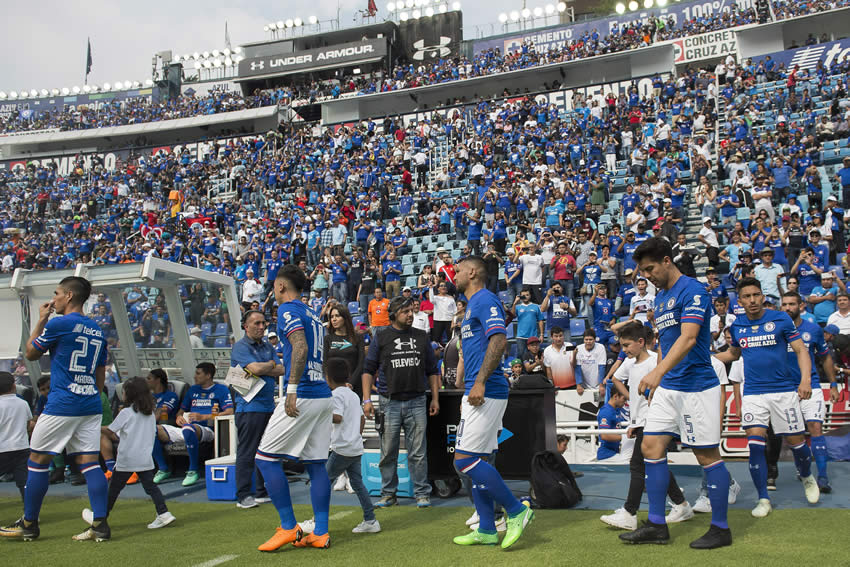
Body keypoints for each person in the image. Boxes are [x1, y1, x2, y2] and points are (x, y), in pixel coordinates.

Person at [620, 238, 732, 549]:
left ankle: (721, 528)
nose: (647, 276)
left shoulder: (693, 291)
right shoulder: (660, 298)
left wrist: (656, 373)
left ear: (667, 261)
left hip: (696, 386)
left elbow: (689, 337)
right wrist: (660, 377)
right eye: (642, 272)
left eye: (650, 269)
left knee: (706, 456)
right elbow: (666, 343)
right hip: (669, 387)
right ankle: (657, 524)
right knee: (650, 447)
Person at [1, 276, 111, 542]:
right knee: (89, 463)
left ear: (69, 296)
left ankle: (29, 524)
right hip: (90, 403)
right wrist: (89, 394)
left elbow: (31, 353)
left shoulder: (59, 323)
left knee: (37, 461)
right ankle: (100, 525)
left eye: (57, 293)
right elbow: (100, 374)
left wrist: (40, 320)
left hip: (63, 403)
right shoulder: (97, 330)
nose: (54, 299)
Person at [714, 278, 820, 519]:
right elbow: (733, 354)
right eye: (746, 296)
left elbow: (801, 350)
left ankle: (806, 475)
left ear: (762, 296)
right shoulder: (737, 326)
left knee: (797, 444)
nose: (752, 300)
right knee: (755, 446)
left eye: (756, 295)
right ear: (739, 301)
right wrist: (705, 359)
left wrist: (805, 380)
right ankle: (763, 498)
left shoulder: (780, 319)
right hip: (753, 393)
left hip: (783, 391)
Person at [451, 255, 534, 549]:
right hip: (478, 389)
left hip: (487, 390)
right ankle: (486, 528)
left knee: (464, 460)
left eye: (458, 270)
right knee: (480, 460)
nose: (454, 275)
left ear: (473, 272)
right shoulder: (473, 304)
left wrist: (480, 382)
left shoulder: (485, 299)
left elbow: (498, 340)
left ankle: (516, 510)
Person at [255, 265, 334, 551]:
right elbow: (317, 354)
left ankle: (289, 527)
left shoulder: (288, 310)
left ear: (280, 286)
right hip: (321, 393)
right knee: (316, 464)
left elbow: (300, 349)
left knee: (265, 459)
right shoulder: (312, 313)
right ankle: (320, 532)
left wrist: (291, 389)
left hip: (302, 394)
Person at [601, 322, 691, 530]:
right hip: (641, 421)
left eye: (627, 345)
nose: (624, 350)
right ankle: (681, 504)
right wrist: (632, 405)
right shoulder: (629, 363)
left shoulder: (654, 362)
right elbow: (616, 379)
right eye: (622, 346)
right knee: (655, 463)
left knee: (638, 465)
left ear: (640, 342)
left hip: (654, 419)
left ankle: (629, 512)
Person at [361, 295, 440, 508]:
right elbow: (368, 370)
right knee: (388, 451)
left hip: (417, 400)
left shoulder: (422, 336)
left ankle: (421, 493)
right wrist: (367, 399)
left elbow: (433, 371)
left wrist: (435, 398)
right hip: (389, 402)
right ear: (394, 315)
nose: (410, 315)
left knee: (418, 452)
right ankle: (388, 493)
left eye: (411, 311)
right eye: (405, 312)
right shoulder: (381, 336)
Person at [83, 376, 175, 534]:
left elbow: (110, 431)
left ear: (130, 394)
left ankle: (100, 518)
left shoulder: (126, 412)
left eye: (124, 391)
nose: (122, 394)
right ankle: (164, 513)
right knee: (151, 488)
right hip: (145, 459)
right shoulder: (150, 414)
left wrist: (93, 426)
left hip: (127, 459)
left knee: (113, 490)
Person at [780, 292, 840, 493]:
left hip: (811, 385)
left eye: (792, 304)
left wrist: (833, 384)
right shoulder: (776, 330)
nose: (788, 308)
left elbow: (825, 357)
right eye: (784, 304)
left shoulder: (813, 329)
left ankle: (822, 477)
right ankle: (804, 470)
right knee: (794, 435)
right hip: (784, 389)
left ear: (801, 306)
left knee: (815, 427)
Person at [230, 310, 283, 509]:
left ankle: (261, 492)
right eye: (257, 323)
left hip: (268, 406)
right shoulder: (240, 347)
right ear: (246, 326)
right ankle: (243, 495)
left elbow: (282, 369)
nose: (262, 327)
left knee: (266, 450)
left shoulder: (267, 346)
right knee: (247, 451)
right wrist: (270, 364)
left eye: (263, 323)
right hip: (249, 407)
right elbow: (256, 369)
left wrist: (265, 367)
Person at [324, 303, 366, 398]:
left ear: (345, 318)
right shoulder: (327, 339)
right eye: (332, 317)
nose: (334, 319)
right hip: (333, 388)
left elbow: (361, 363)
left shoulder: (358, 338)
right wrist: (333, 384)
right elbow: (325, 364)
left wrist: (350, 383)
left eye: (337, 316)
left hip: (354, 386)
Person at [0, 371, 31, 501]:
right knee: (23, 480)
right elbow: (28, 424)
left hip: (2, 448)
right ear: (14, 385)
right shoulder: (23, 403)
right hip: (21, 447)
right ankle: (30, 509)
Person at [511, 288, 544, 360]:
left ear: (530, 296)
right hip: (521, 337)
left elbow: (540, 320)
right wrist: (514, 303)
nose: (525, 296)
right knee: (521, 356)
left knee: (534, 356)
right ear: (520, 296)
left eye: (527, 295)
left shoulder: (536, 306)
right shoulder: (517, 307)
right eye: (523, 295)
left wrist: (541, 334)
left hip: (533, 336)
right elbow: (512, 315)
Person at [573, 329, 607, 396]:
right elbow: (577, 368)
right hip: (584, 386)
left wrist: (601, 385)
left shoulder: (601, 347)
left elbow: (602, 367)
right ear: (583, 340)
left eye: (590, 339)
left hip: (598, 384)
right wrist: (579, 385)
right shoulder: (578, 348)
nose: (588, 342)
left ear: (594, 340)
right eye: (586, 339)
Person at [596, 389, 628, 460]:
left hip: (614, 453)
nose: (625, 402)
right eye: (624, 399)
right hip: (607, 455)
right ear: (616, 396)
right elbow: (604, 435)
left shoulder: (616, 410)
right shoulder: (606, 411)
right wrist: (625, 437)